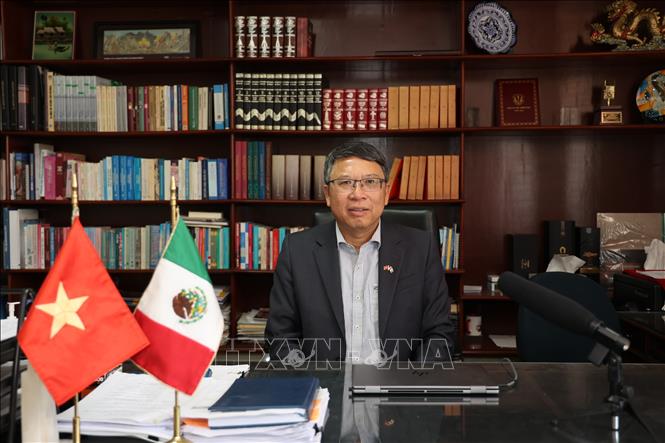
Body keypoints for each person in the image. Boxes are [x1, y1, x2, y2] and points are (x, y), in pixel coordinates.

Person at [265, 141, 455, 364]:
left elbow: (439, 333)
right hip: (321, 382)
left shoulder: (420, 248)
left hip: (399, 382)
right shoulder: (297, 250)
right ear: (327, 194)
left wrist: (413, 380)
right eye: (346, 182)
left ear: (386, 193)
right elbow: (280, 337)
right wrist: (309, 381)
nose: (358, 194)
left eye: (370, 182)